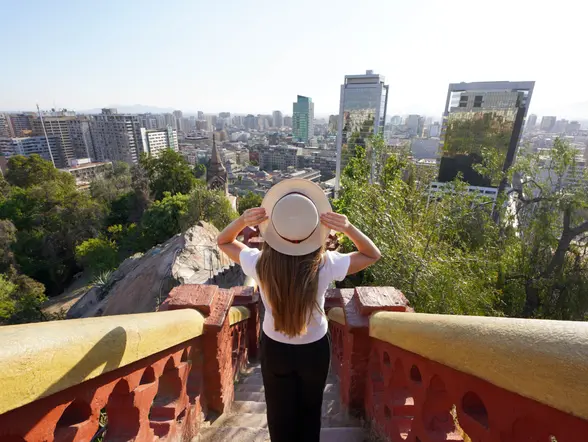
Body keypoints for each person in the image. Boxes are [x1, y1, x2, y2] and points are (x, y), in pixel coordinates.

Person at [217, 178, 380, 442]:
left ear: (274, 228)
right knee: (310, 413)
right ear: (313, 228)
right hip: (314, 349)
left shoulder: (259, 262)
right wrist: (347, 227)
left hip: (275, 347)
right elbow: (372, 254)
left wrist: (242, 221)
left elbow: (223, 241)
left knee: (279, 416)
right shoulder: (325, 264)